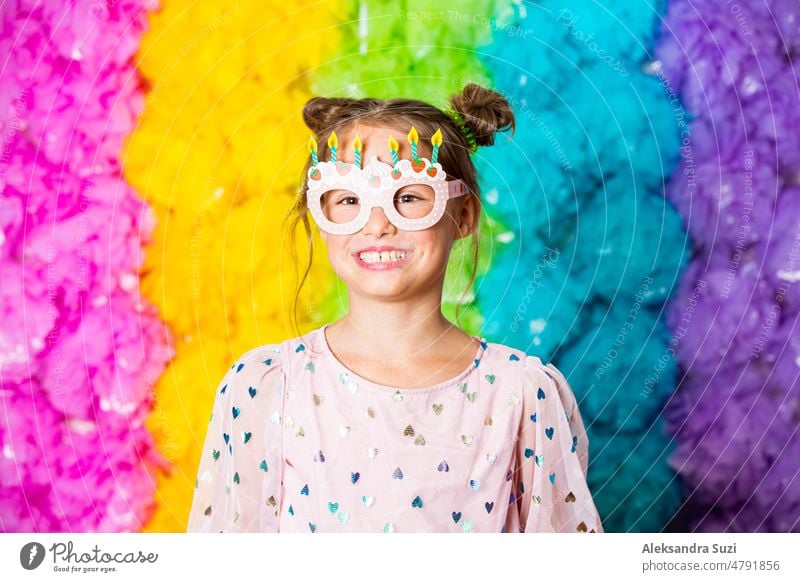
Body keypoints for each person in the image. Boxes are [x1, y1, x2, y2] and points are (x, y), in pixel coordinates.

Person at [186, 83, 604, 533]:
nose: (379, 223)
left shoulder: (522, 394)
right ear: (320, 218)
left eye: (408, 197)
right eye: (349, 200)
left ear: (462, 216)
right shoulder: (265, 386)